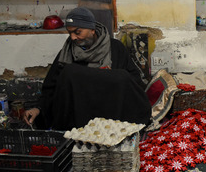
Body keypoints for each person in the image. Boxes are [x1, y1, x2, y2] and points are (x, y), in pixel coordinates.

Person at [23, 7, 151, 130]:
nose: (73, 37)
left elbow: (133, 83)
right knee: (69, 73)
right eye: (70, 33)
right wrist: (38, 108)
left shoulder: (115, 49)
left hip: (112, 117)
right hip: (79, 120)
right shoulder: (67, 54)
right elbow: (52, 86)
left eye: (77, 32)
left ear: (92, 29)